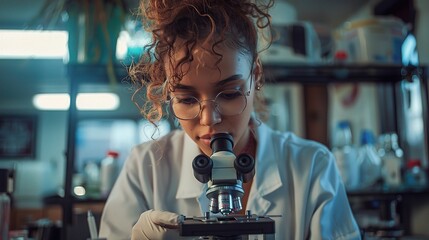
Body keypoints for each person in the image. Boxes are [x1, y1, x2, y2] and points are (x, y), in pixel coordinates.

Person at [99, 0, 361, 239]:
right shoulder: (145, 168)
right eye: (187, 99)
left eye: (229, 94)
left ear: (255, 75)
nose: (209, 119)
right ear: (168, 94)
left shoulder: (313, 167)